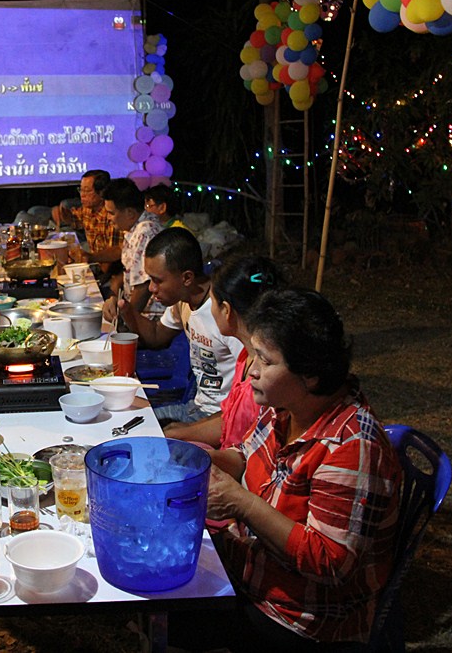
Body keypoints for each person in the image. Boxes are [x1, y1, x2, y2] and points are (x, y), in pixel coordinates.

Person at [193, 288, 402, 649]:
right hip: (251, 569)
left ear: (311, 376)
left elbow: (329, 562)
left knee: (168, 612)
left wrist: (242, 503)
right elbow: (245, 454)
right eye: (253, 355)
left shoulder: (352, 447)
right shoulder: (286, 406)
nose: (251, 371)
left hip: (298, 617)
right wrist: (202, 460)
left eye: (265, 361)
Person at [107, 227, 243, 424]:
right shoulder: (183, 302)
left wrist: (188, 431)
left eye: (157, 280)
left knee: (141, 429)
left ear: (187, 278)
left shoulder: (225, 313)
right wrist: (125, 309)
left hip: (220, 418)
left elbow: (246, 402)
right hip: (195, 407)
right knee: (119, 419)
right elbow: (156, 336)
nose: (151, 288)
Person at [164, 256, 285, 448]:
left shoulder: (263, 378)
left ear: (226, 310)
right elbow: (228, 418)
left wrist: (184, 435)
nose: (210, 310)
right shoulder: (245, 357)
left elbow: (245, 445)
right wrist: (182, 431)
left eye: (212, 302)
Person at [101, 178, 164, 315]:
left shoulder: (145, 232)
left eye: (111, 213)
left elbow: (143, 286)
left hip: (151, 315)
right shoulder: (135, 228)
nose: (108, 218)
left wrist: (127, 320)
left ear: (130, 213)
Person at [52, 169, 121, 265]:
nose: (82, 195)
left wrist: (91, 258)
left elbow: (117, 253)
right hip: (95, 263)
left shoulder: (112, 214)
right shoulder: (88, 209)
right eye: (81, 190)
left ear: (102, 192)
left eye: (87, 191)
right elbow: (73, 218)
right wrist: (60, 212)